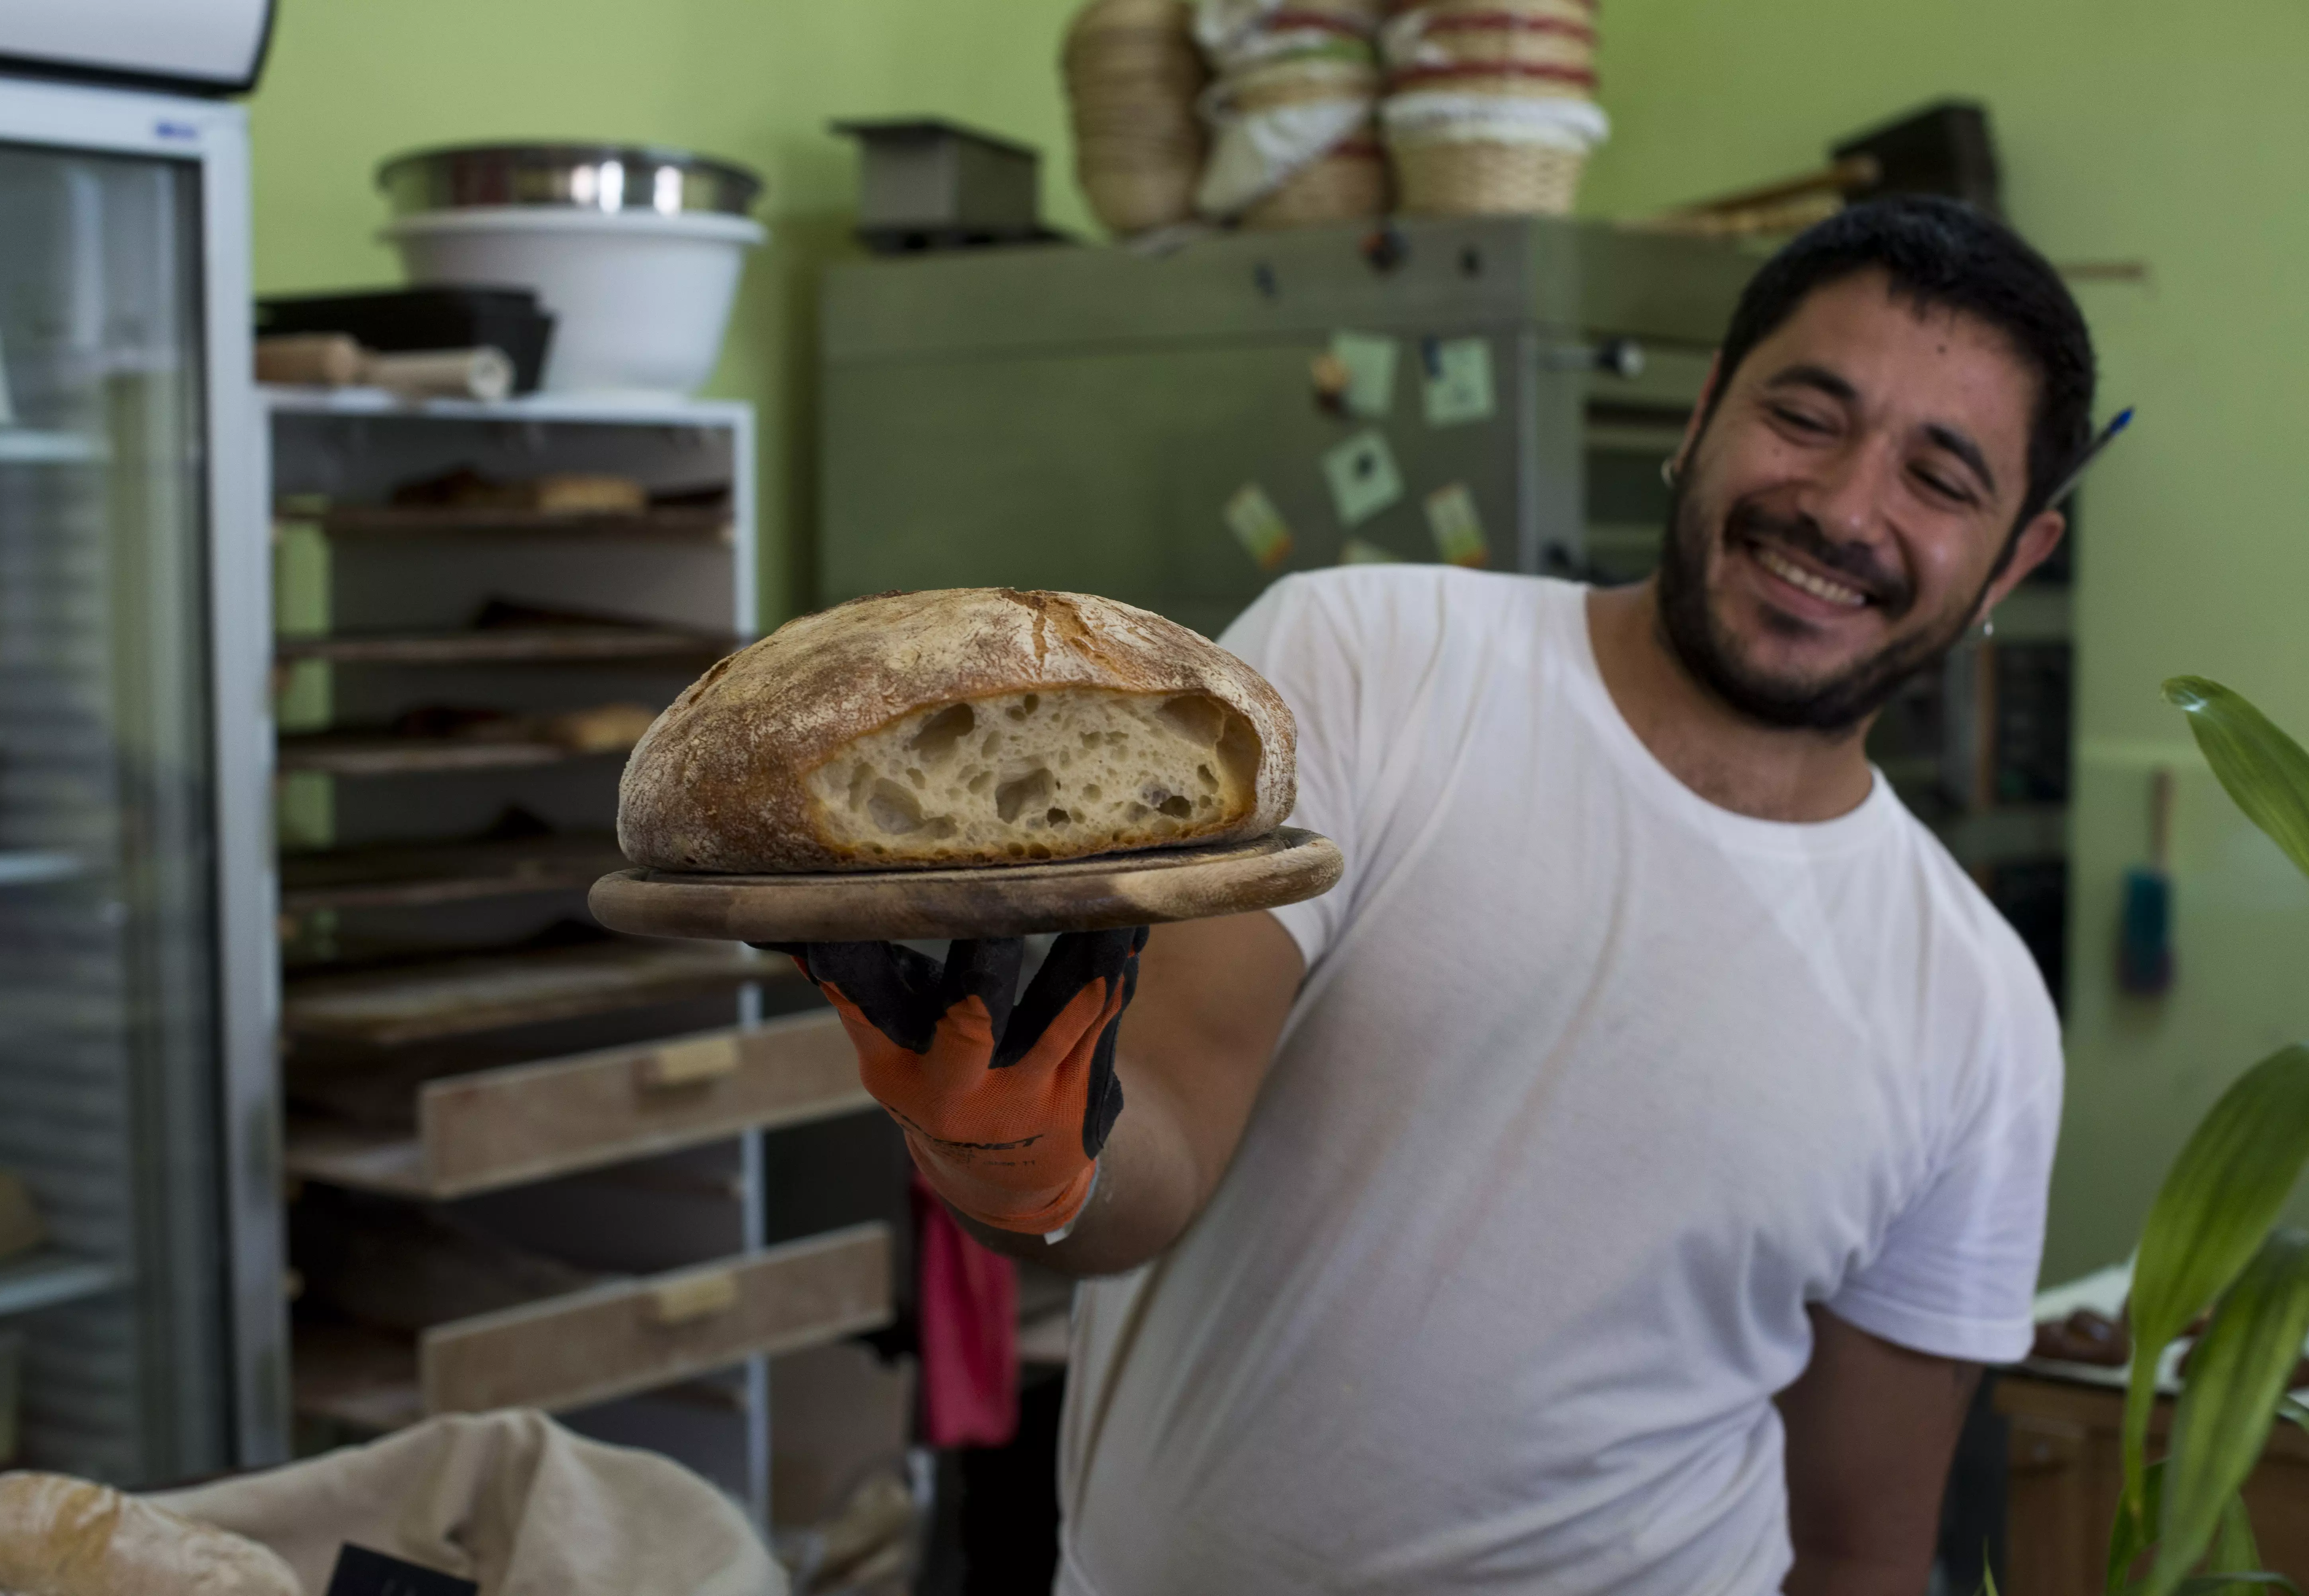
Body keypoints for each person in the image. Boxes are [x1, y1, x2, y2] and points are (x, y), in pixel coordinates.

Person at [775, 196, 2093, 1594]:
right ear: (1703, 412)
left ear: (2013, 558)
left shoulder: (1980, 1014)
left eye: (1941, 480)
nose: (1842, 507)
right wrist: (1023, 1153)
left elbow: (1859, 1549)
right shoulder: (1365, 661)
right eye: (1807, 416)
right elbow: (1147, 1156)